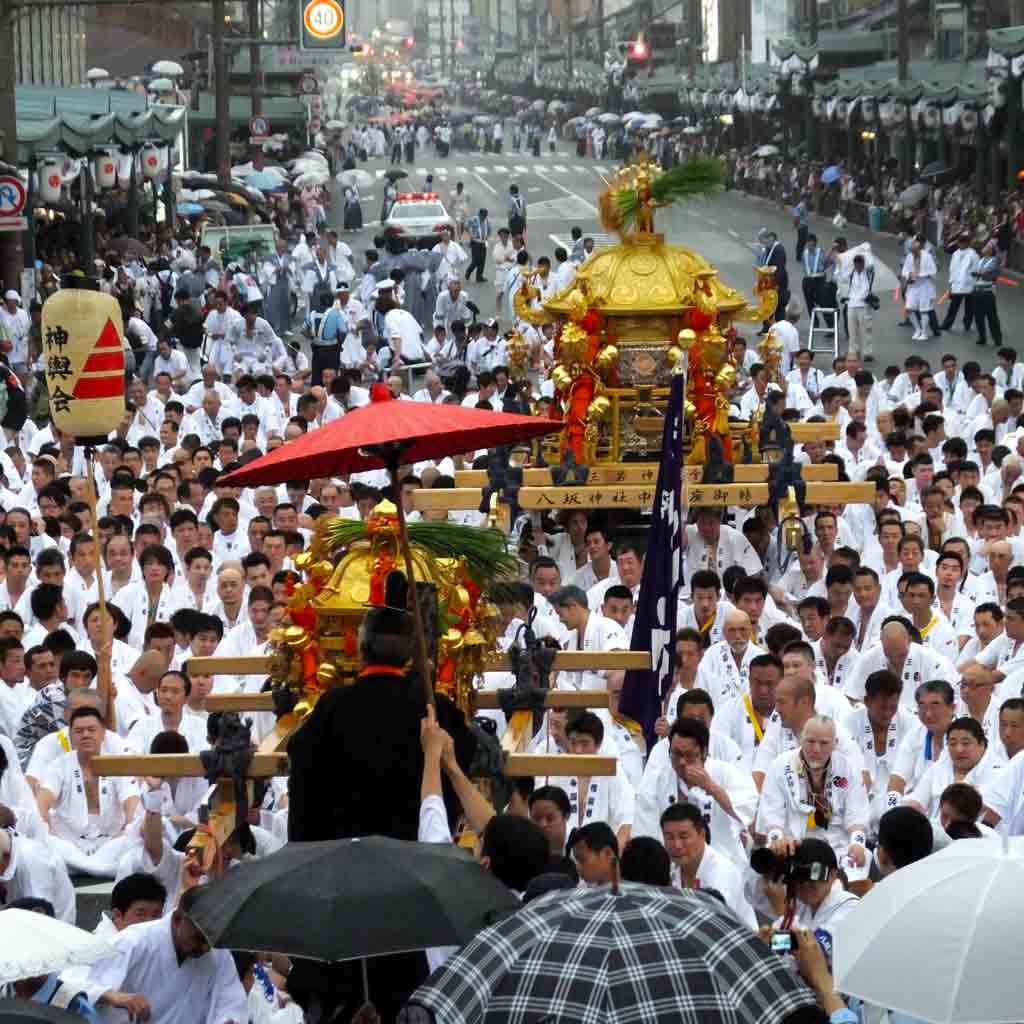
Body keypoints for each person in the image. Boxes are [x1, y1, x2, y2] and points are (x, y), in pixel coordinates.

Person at [77, 887, 248, 1024]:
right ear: (177, 920)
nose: (205, 947)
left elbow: (230, 1000)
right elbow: (74, 982)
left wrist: (228, 1019)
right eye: (199, 938)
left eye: (210, 941)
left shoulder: (218, 952)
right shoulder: (135, 941)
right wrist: (113, 996)